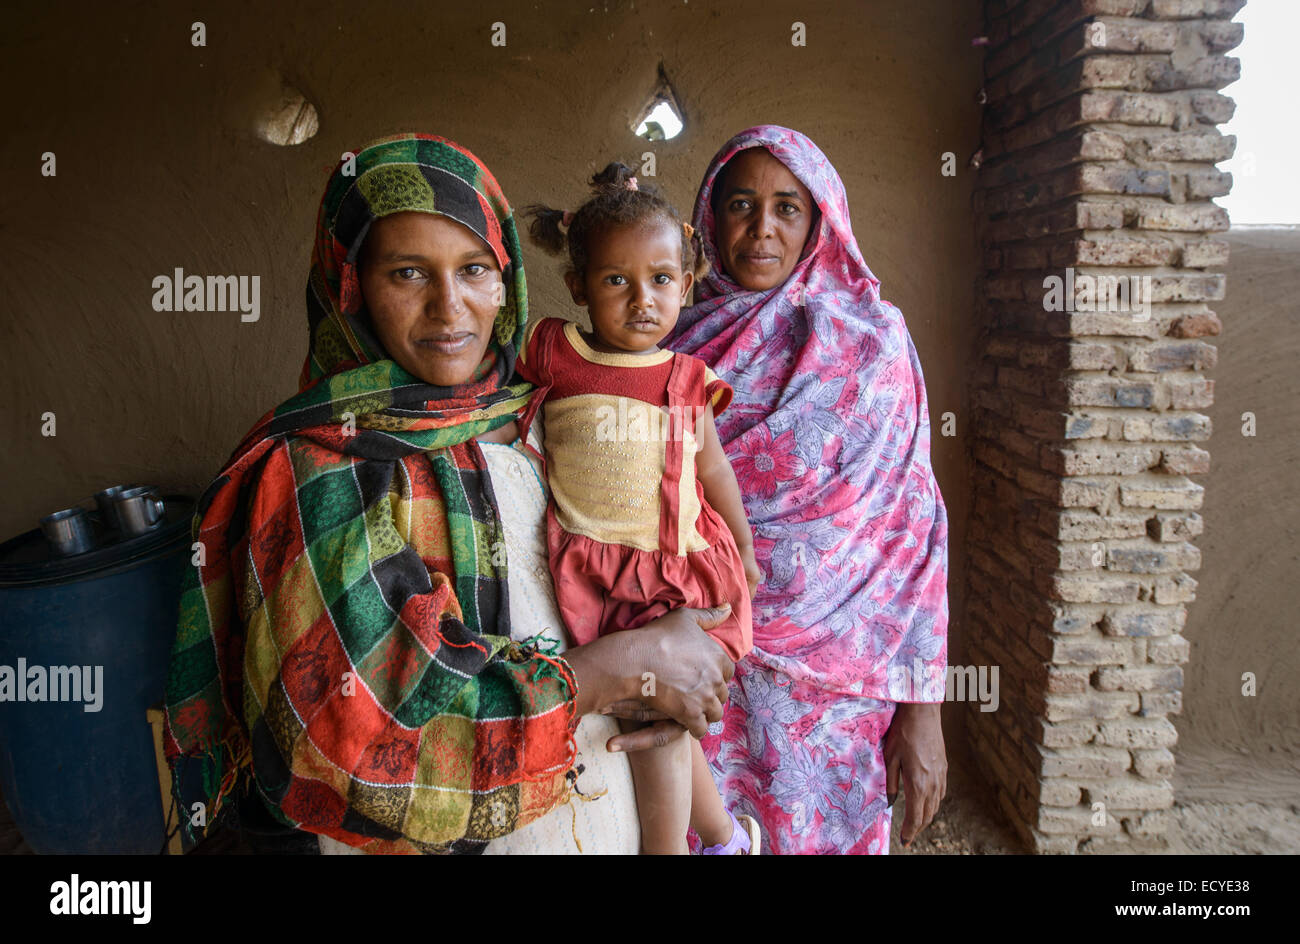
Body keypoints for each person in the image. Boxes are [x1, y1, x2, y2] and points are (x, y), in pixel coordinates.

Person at [161, 133, 734, 855]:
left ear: (509, 280)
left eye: (474, 270)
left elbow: (658, 546)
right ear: (352, 286)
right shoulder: (316, 469)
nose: (448, 307)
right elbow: (368, 731)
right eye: (407, 273)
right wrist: (625, 667)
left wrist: (687, 641)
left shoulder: (540, 414)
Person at [666, 125, 950, 855]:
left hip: (837, 694)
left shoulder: (872, 343)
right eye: (740, 205)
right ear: (708, 218)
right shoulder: (671, 344)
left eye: (787, 207)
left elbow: (912, 531)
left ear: (820, 218)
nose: (762, 229)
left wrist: (923, 711)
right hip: (703, 667)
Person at [518, 163, 761, 855]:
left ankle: (667, 849)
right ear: (579, 289)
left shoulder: (687, 380)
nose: (641, 300)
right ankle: (724, 837)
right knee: (666, 712)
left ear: (686, 286)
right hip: (598, 570)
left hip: (675, 571)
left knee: (661, 706)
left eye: (661, 279)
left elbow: (712, 469)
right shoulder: (554, 353)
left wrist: (742, 548)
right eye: (615, 281)